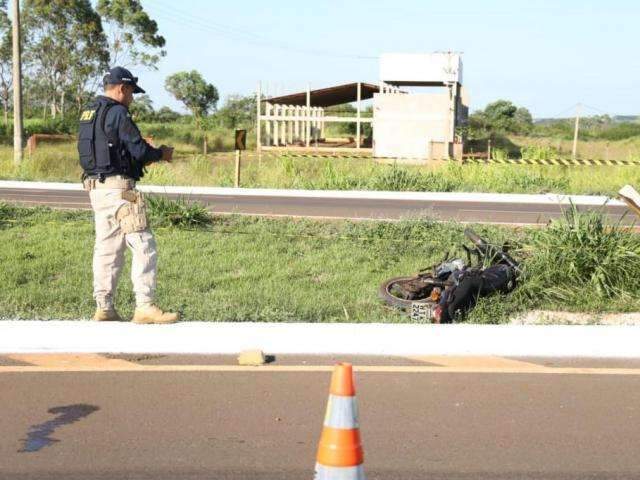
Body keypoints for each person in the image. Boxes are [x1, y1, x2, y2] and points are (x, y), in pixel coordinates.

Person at [78, 66, 178, 324]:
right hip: (121, 191)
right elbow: (140, 152)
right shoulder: (119, 113)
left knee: (106, 249)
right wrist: (161, 154)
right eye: (132, 92)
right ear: (122, 88)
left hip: (97, 191)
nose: (132, 98)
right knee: (144, 244)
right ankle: (145, 305)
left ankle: (104, 306)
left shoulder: (88, 113)